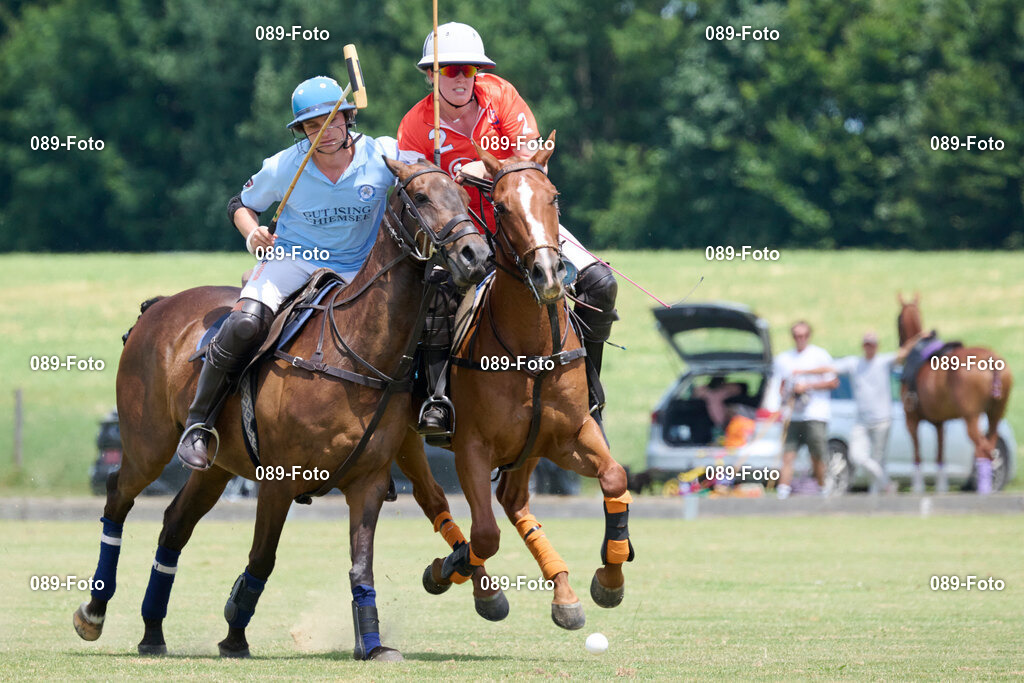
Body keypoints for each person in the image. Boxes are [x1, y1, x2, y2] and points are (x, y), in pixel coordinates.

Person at [175, 75, 417, 470]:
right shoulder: (285, 165)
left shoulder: (382, 154)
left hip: (361, 269)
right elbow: (240, 202)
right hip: (293, 261)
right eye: (310, 125)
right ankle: (199, 424)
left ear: (349, 117)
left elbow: (424, 175)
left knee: (420, 317)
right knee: (244, 325)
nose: (322, 132)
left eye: (331, 120)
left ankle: (406, 426)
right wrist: (253, 233)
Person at [396, 22, 619, 440]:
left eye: (469, 69)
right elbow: (415, 186)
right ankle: (438, 398)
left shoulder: (501, 95)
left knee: (600, 284)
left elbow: (530, 159)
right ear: (431, 75)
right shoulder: (414, 125)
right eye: (450, 70)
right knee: (434, 299)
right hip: (460, 232)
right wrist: (447, 179)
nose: (461, 78)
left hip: (520, 219)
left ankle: (588, 387)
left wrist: (476, 168)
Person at [815, 332, 899, 494]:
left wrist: (918, 338)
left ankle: (876, 494)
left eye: (872, 344)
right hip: (861, 420)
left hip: (882, 420)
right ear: (863, 346)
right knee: (858, 456)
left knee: (878, 458)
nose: (869, 348)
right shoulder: (855, 364)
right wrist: (801, 371)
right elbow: (829, 368)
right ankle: (886, 484)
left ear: (877, 346)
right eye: (867, 344)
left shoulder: (883, 362)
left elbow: (902, 354)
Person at [772, 321, 839, 499]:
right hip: (793, 415)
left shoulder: (819, 355)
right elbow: (781, 386)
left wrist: (807, 385)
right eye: (796, 335)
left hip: (815, 414)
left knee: (817, 454)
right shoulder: (784, 359)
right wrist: (788, 393)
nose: (799, 339)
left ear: (809, 336)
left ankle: (823, 488)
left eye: (803, 335)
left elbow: (833, 381)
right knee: (788, 453)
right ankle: (783, 491)